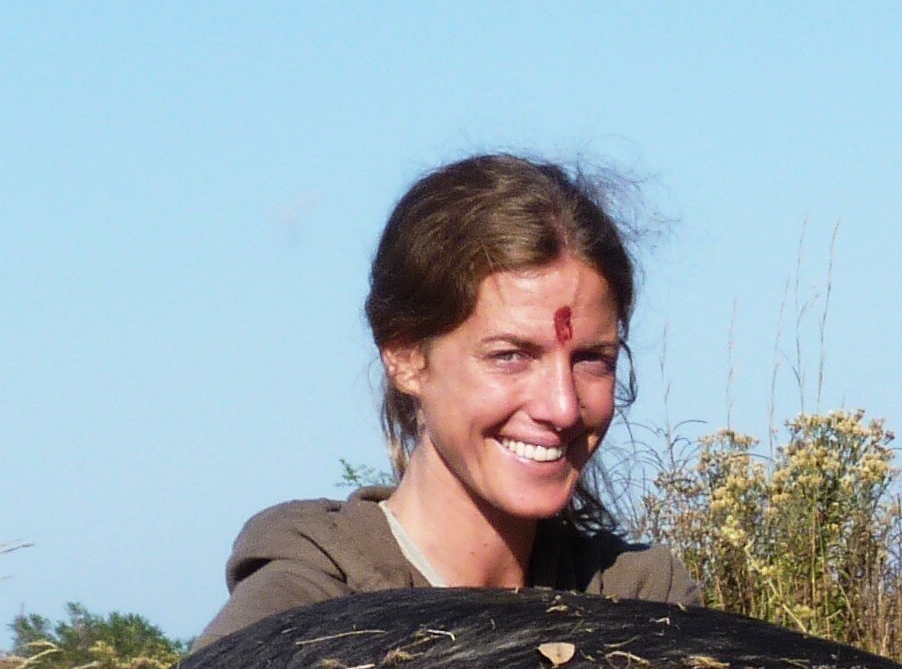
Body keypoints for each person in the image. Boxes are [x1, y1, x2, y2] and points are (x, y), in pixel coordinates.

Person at [201, 155, 694, 644]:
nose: (562, 407)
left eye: (591, 359)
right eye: (510, 356)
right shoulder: (303, 615)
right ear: (406, 356)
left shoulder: (642, 609)